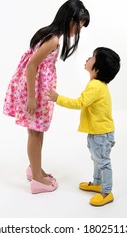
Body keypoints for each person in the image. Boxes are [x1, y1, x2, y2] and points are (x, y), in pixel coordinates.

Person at [3, 0, 90, 194]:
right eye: (78, 26)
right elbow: (32, 65)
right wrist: (31, 98)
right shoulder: (53, 39)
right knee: (35, 132)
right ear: (70, 19)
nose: (78, 31)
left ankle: (35, 168)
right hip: (35, 91)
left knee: (37, 130)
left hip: (39, 90)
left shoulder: (51, 35)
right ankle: (37, 179)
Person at [48, 47, 120, 206]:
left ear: (98, 68)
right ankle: (96, 183)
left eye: (93, 57)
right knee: (97, 159)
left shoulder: (95, 86)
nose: (88, 58)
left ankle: (107, 192)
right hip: (99, 132)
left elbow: (79, 103)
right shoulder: (97, 84)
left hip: (101, 134)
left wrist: (57, 98)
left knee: (103, 162)